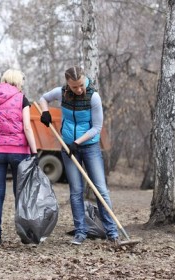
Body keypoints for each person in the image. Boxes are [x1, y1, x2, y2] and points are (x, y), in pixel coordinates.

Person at [38, 66, 119, 245]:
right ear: (68, 84)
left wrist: (78, 142)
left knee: (100, 189)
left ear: (84, 80)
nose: (79, 89)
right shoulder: (61, 92)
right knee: (76, 191)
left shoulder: (93, 97)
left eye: (81, 85)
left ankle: (112, 232)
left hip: (89, 147)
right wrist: (45, 112)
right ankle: (80, 232)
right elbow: (43, 98)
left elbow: (96, 128)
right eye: (75, 87)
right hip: (67, 147)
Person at [0, 69, 38, 245]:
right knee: (20, 195)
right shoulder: (22, 98)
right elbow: (27, 127)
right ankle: (24, 235)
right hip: (19, 152)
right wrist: (35, 152)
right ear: (18, 81)